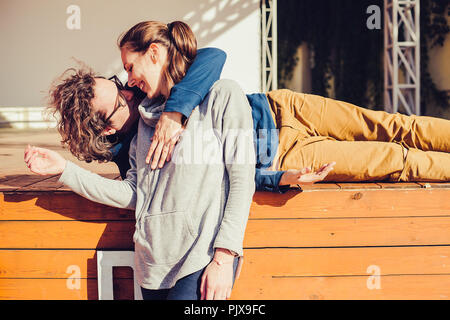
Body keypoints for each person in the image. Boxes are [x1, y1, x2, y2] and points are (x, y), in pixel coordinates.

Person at [25, 20, 256, 300]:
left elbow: (243, 179)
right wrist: (65, 170)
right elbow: (136, 194)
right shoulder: (143, 128)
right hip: (152, 271)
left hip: (199, 261)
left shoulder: (223, 95)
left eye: (128, 70)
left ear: (155, 53)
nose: (130, 85)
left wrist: (224, 257)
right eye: (124, 81)